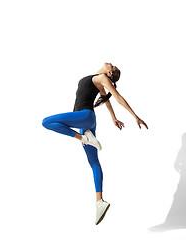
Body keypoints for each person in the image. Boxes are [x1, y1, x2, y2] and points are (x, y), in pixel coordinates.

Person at [42, 62, 148, 225]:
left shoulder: (103, 78)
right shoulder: (99, 79)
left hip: (84, 117)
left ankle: (83, 138)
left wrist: (135, 117)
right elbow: (107, 100)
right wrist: (113, 118)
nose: (111, 64)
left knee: (46, 122)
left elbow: (118, 97)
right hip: (87, 123)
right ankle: (100, 201)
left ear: (109, 74)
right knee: (94, 163)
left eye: (112, 67)